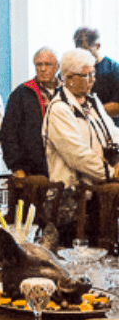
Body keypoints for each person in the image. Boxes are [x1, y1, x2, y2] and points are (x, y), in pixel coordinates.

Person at [43, 48, 119, 238]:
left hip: (98, 191)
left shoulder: (93, 101)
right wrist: (110, 172)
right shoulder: (59, 108)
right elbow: (76, 154)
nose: (93, 79)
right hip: (73, 197)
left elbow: (113, 134)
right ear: (69, 78)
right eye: (87, 75)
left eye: (94, 73)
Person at [0, 48, 59, 177]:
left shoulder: (65, 93)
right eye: (39, 64)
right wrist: (16, 166)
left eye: (48, 64)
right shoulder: (21, 94)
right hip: (31, 169)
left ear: (57, 67)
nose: (43, 69)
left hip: (61, 165)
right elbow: (8, 133)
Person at [73, 26, 119, 123]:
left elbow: (117, 107)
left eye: (85, 50)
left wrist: (88, 112)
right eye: (78, 51)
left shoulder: (114, 69)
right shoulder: (73, 68)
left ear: (97, 46)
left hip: (108, 130)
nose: (81, 56)